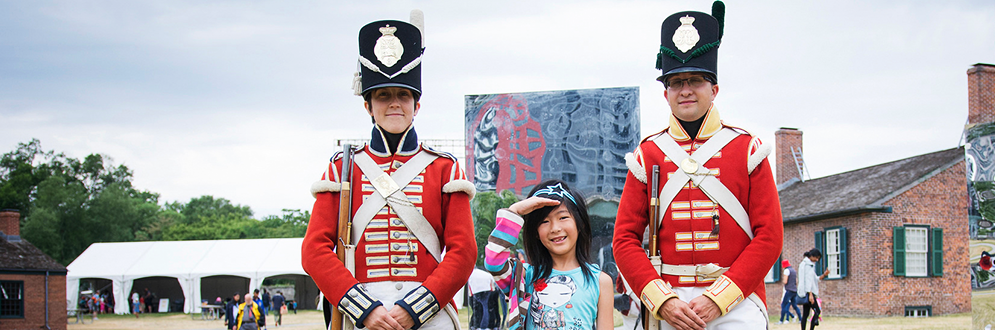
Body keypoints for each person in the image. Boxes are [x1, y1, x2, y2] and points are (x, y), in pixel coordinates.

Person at [612, 2, 784, 329]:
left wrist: (719, 298)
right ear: (666, 94)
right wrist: (662, 300)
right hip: (667, 299)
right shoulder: (647, 154)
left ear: (714, 88)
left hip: (737, 300)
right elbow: (624, 239)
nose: (685, 90)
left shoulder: (747, 148)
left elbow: (770, 237)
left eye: (695, 80)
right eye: (676, 82)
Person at [301, 10, 477, 330]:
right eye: (383, 95)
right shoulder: (342, 168)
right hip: (363, 310)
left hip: (429, 309)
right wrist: (362, 308)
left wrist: (416, 308)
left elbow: (463, 252)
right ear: (368, 105)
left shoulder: (445, 168)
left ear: (416, 106)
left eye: (403, 95)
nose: (394, 103)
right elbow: (314, 251)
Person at [484, 180, 614, 330]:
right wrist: (515, 211)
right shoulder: (525, 277)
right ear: (536, 233)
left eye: (563, 217)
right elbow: (494, 262)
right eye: (544, 221)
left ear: (580, 224)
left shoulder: (600, 281)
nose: (555, 228)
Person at [797, 249, 829, 330]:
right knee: (817, 311)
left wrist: (824, 275)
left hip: (805, 292)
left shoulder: (804, 264)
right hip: (808, 292)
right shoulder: (808, 265)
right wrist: (810, 294)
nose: (817, 260)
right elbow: (808, 281)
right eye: (816, 258)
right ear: (812, 256)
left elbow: (815, 279)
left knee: (805, 314)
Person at [780, 259, 801, 324]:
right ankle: (800, 319)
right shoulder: (793, 270)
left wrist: (783, 280)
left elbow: (785, 281)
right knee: (794, 305)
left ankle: (781, 320)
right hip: (794, 290)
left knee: (784, 305)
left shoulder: (786, 271)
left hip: (788, 290)